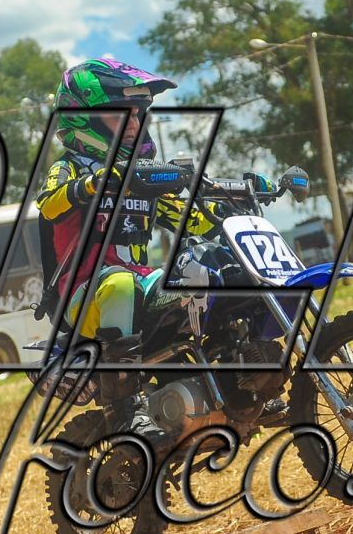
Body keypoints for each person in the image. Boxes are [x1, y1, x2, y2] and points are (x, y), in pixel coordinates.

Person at [34, 56, 231, 441]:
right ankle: (124, 412)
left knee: (201, 278)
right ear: (86, 119)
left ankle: (225, 383)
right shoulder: (71, 167)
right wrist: (93, 183)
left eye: (139, 114)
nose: (134, 124)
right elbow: (49, 204)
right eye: (120, 115)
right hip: (84, 295)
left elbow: (193, 221)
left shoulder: (141, 178)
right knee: (120, 283)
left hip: (141, 282)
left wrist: (228, 207)